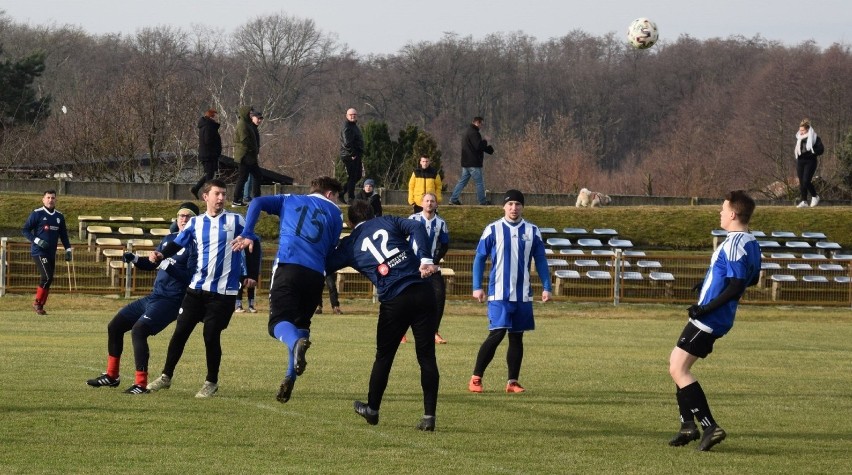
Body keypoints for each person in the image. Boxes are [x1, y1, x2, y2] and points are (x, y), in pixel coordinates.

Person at [327, 199, 441, 431]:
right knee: (426, 355)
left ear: (350, 222)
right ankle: (429, 416)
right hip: (422, 289)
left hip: (394, 299)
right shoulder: (387, 220)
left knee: (384, 356)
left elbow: (324, 264)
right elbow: (418, 226)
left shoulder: (350, 243)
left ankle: (373, 408)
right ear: (372, 214)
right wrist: (426, 259)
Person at [232, 176, 344, 403]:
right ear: (330, 194)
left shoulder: (290, 199)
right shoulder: (335, 214)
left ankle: (295, 344)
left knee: (277, 325)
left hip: (288, 266)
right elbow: (332, 250)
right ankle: (289, 375)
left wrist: (248, 232)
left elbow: (256, 203)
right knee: (301, 325)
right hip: (315, 275)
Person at [146, 179, 260, 398]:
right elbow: (177, 243)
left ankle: (211, 381)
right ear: (205, 197)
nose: (221, 198)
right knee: (180, 332)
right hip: (196, 288)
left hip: (223, 292)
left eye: (224, 194)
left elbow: (254, 241)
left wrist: (252, 274)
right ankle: (166, 376)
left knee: (210, 334)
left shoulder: (236, 220)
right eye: (217, 194)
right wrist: (161, 254)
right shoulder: (195, 223)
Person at [668, 190, 761, 451]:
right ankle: (688, 425)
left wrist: (705, 307)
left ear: (732, 214)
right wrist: (709, 282)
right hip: (718, 316)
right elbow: (750, 278)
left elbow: (736, 284)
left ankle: (709, 426)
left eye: (723, 209)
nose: (720, 213)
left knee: (679, 368)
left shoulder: (732, 244)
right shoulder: (750, 242)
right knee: (676, 364)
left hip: (710, 318)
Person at [86, 202, 199, 394]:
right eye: (181, 216)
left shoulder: (196, 244)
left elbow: (189, 278)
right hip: (154, 296)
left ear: (196, 221)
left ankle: (140, 384)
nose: (184, 219)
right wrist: (135, 259)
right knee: (115, 326)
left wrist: (164, 264)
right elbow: (152, 264)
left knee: (139, 330)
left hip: (172, 301)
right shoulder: (169, 239)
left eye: (189, 216)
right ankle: (112, 376)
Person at [468, 189, 551, 394]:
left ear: (523, 207)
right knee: (497, 333)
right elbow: (479, 258)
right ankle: (476, 378)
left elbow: (540, 259)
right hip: (499, 293)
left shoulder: (532, 230)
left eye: (518, 204)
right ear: (504, 206)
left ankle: (512, 382)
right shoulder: (493, 229)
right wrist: (477, 286)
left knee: (516, 337)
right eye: (510, 204)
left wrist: (547, 286)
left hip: (522, 294)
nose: (514, 208)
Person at [406, 192, 450, 344]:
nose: (430, 203)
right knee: (407, 299)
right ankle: (401, 332)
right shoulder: (413, 220)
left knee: (439, 296)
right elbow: (403, 242)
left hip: (432, 267)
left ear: (436, 204)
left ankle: (434, 332)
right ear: (421, 203)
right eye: (427, 201)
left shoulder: (441, 223)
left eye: (432, 201)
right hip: (413, 266)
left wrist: (434, 262)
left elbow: (444, 244)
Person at [22, 190, 72, 315]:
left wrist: (68, 249)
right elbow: (25, 230)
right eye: (48, 197)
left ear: (56, 200)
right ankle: (37, 303)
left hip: (51, 252)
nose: (50, 200)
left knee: (49, 279)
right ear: (43, 199)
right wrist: (37, 240)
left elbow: (64, 235)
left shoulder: (59, 216)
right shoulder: (37, 213)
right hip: (39, 251)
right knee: (47, 276)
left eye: (53, 198)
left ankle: (41, 305)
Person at [449, 117, 494, 206]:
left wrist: (488, 148)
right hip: (474, 163)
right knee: (479, 182)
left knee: (462, 181)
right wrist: (485, 141)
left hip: (466, 162)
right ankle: (482, 201)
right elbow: (478, 146)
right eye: (481, 124)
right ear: (477, 122)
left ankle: (453, 199)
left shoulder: (467, 132)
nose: (482, 126)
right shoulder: (474, 133)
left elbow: (475, 146)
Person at [232, 106, 261, 207]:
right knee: (243, 177)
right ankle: (236, 200)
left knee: (256, 176)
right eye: (250, 113)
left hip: (249, 156)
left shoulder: (247, 124)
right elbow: (245, 140)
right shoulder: (242, 125)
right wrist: (252, 149)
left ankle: (256, 199)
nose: (251, 115)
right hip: (245, 156)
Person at [190, 109, 222, 199]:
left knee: (209, 174)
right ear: (212, 116)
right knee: (209, 175)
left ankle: (196, 189)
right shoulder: (208, 126)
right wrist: (215, 146)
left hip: (208, 154)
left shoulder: (207, 125)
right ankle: (208, 194)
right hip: (209, 154)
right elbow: (208, 140)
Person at [794, 118, 825, 208]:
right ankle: (804, 201)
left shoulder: (815, 138)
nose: (801, 132)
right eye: (800, 130)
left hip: (810, 161)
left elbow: (821, 150)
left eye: (802, 130)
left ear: (807, 129)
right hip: (800, 161)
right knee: (802, 182)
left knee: (806, 181)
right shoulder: (799, 138)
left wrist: (812, 151)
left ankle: (815, 196)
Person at [339, 108, 364, 204]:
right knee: (352, 176)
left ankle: (342, 192)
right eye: (351, 114)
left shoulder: (354, 126)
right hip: (349, 155)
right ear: (347, 116)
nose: (353, 116)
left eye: (354, 114)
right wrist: (352, 154)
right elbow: (347, 142)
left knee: (357, 176)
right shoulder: (347, 126)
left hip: (355, 155)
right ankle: (351, 198)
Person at [243, 110, 264, 204]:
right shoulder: (251, 127)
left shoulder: (253, 128)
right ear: (252, 117)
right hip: (249, 157)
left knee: (252, 176)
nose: (259, 120)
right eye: (258, 118)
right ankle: (249, 197)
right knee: (250, 177)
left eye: (260, 119)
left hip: (252, 156)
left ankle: (251, 196)